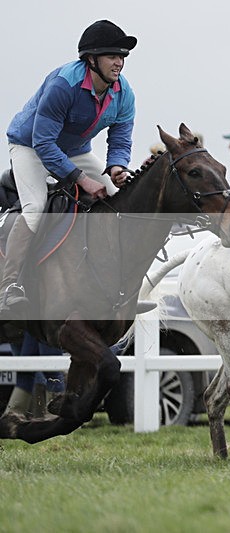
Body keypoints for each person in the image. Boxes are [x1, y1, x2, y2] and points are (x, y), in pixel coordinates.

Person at [1, 19, 136, 320]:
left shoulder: (123, 92)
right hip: (30, 147)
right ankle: (9, 285)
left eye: (122, 56)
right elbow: (44, 143)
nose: (120, 62)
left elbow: (121, 136)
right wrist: (82, 180)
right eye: (113, 55)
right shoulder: (64, 84)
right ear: (91, 59)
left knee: (119, 198)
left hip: (76, 151)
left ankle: (122, 285)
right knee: (35, 208)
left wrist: (116, 166)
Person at [3, 333, 65, 418]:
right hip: (31, 325)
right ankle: (12, 420)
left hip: (41, 325)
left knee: (50, 370)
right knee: (26, 369)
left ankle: (55, 420)